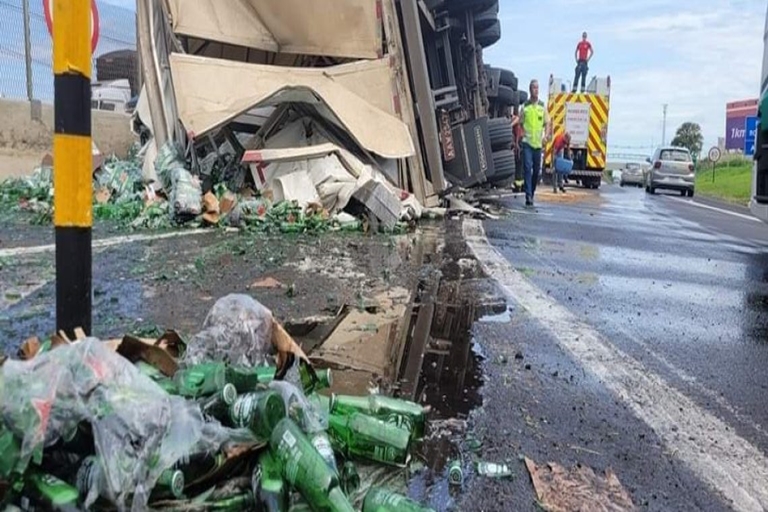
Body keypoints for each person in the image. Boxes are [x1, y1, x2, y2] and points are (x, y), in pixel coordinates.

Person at [519, 80, 550, 207]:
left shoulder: (542, 107)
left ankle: (532, 191)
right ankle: (528, 195)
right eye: (533, 88)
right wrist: (522, 134)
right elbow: (521, 122)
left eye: (537, 88)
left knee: (536, 171)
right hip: (527, 143)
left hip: (538, 145)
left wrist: (546, 136)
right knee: (527, 168)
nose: (536, 90)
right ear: (530, 89)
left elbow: (547, 123)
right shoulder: (525, 106)